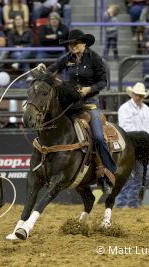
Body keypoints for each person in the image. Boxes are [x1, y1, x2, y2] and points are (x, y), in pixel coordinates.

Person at [37, 29, 117, 194]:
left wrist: (89, 89)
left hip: (89, 103)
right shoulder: (67, 59)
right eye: (70, 44)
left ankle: (105, 173)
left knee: (99, 137)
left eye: (75, 43)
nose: (72, 46)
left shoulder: (95, 59)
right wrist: (43, 69)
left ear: (84, 43)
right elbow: (52, 69)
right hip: (70, 104)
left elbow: (103, 82)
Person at [115, 82, 149, 208]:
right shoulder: (124, 108)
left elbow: (148, 129)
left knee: (139, 176)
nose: (139, 97)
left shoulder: (147, 109)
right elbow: (125, 128)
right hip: (129, 145)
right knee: (126, 175)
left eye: (141, 95)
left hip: (141, 147)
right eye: (137, 95)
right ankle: (121, 202)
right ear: (133, 94)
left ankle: (132, 202)